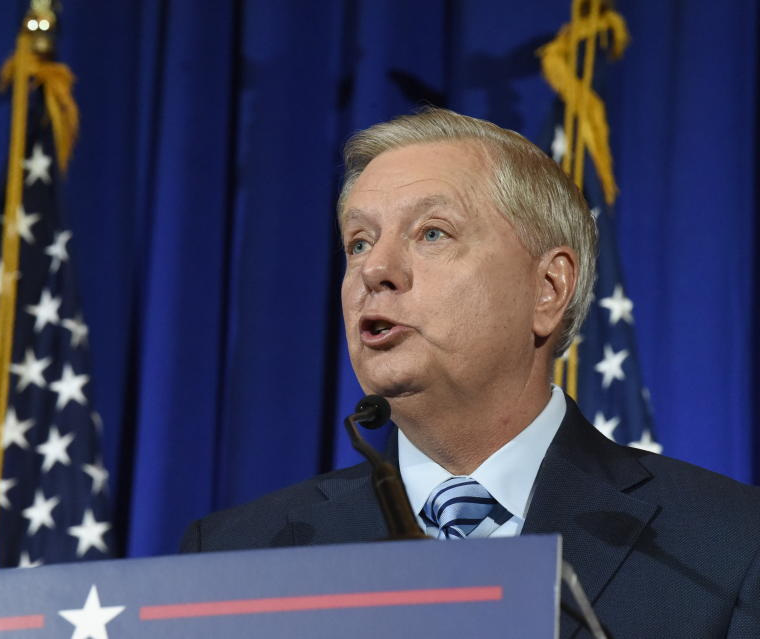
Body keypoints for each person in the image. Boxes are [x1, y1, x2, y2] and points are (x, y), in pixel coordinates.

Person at [180, 108, 760, 638]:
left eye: (432, 233)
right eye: (358, 243)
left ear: (547, 288)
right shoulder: (237, 553)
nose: (375, 270)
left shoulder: (728, 544)